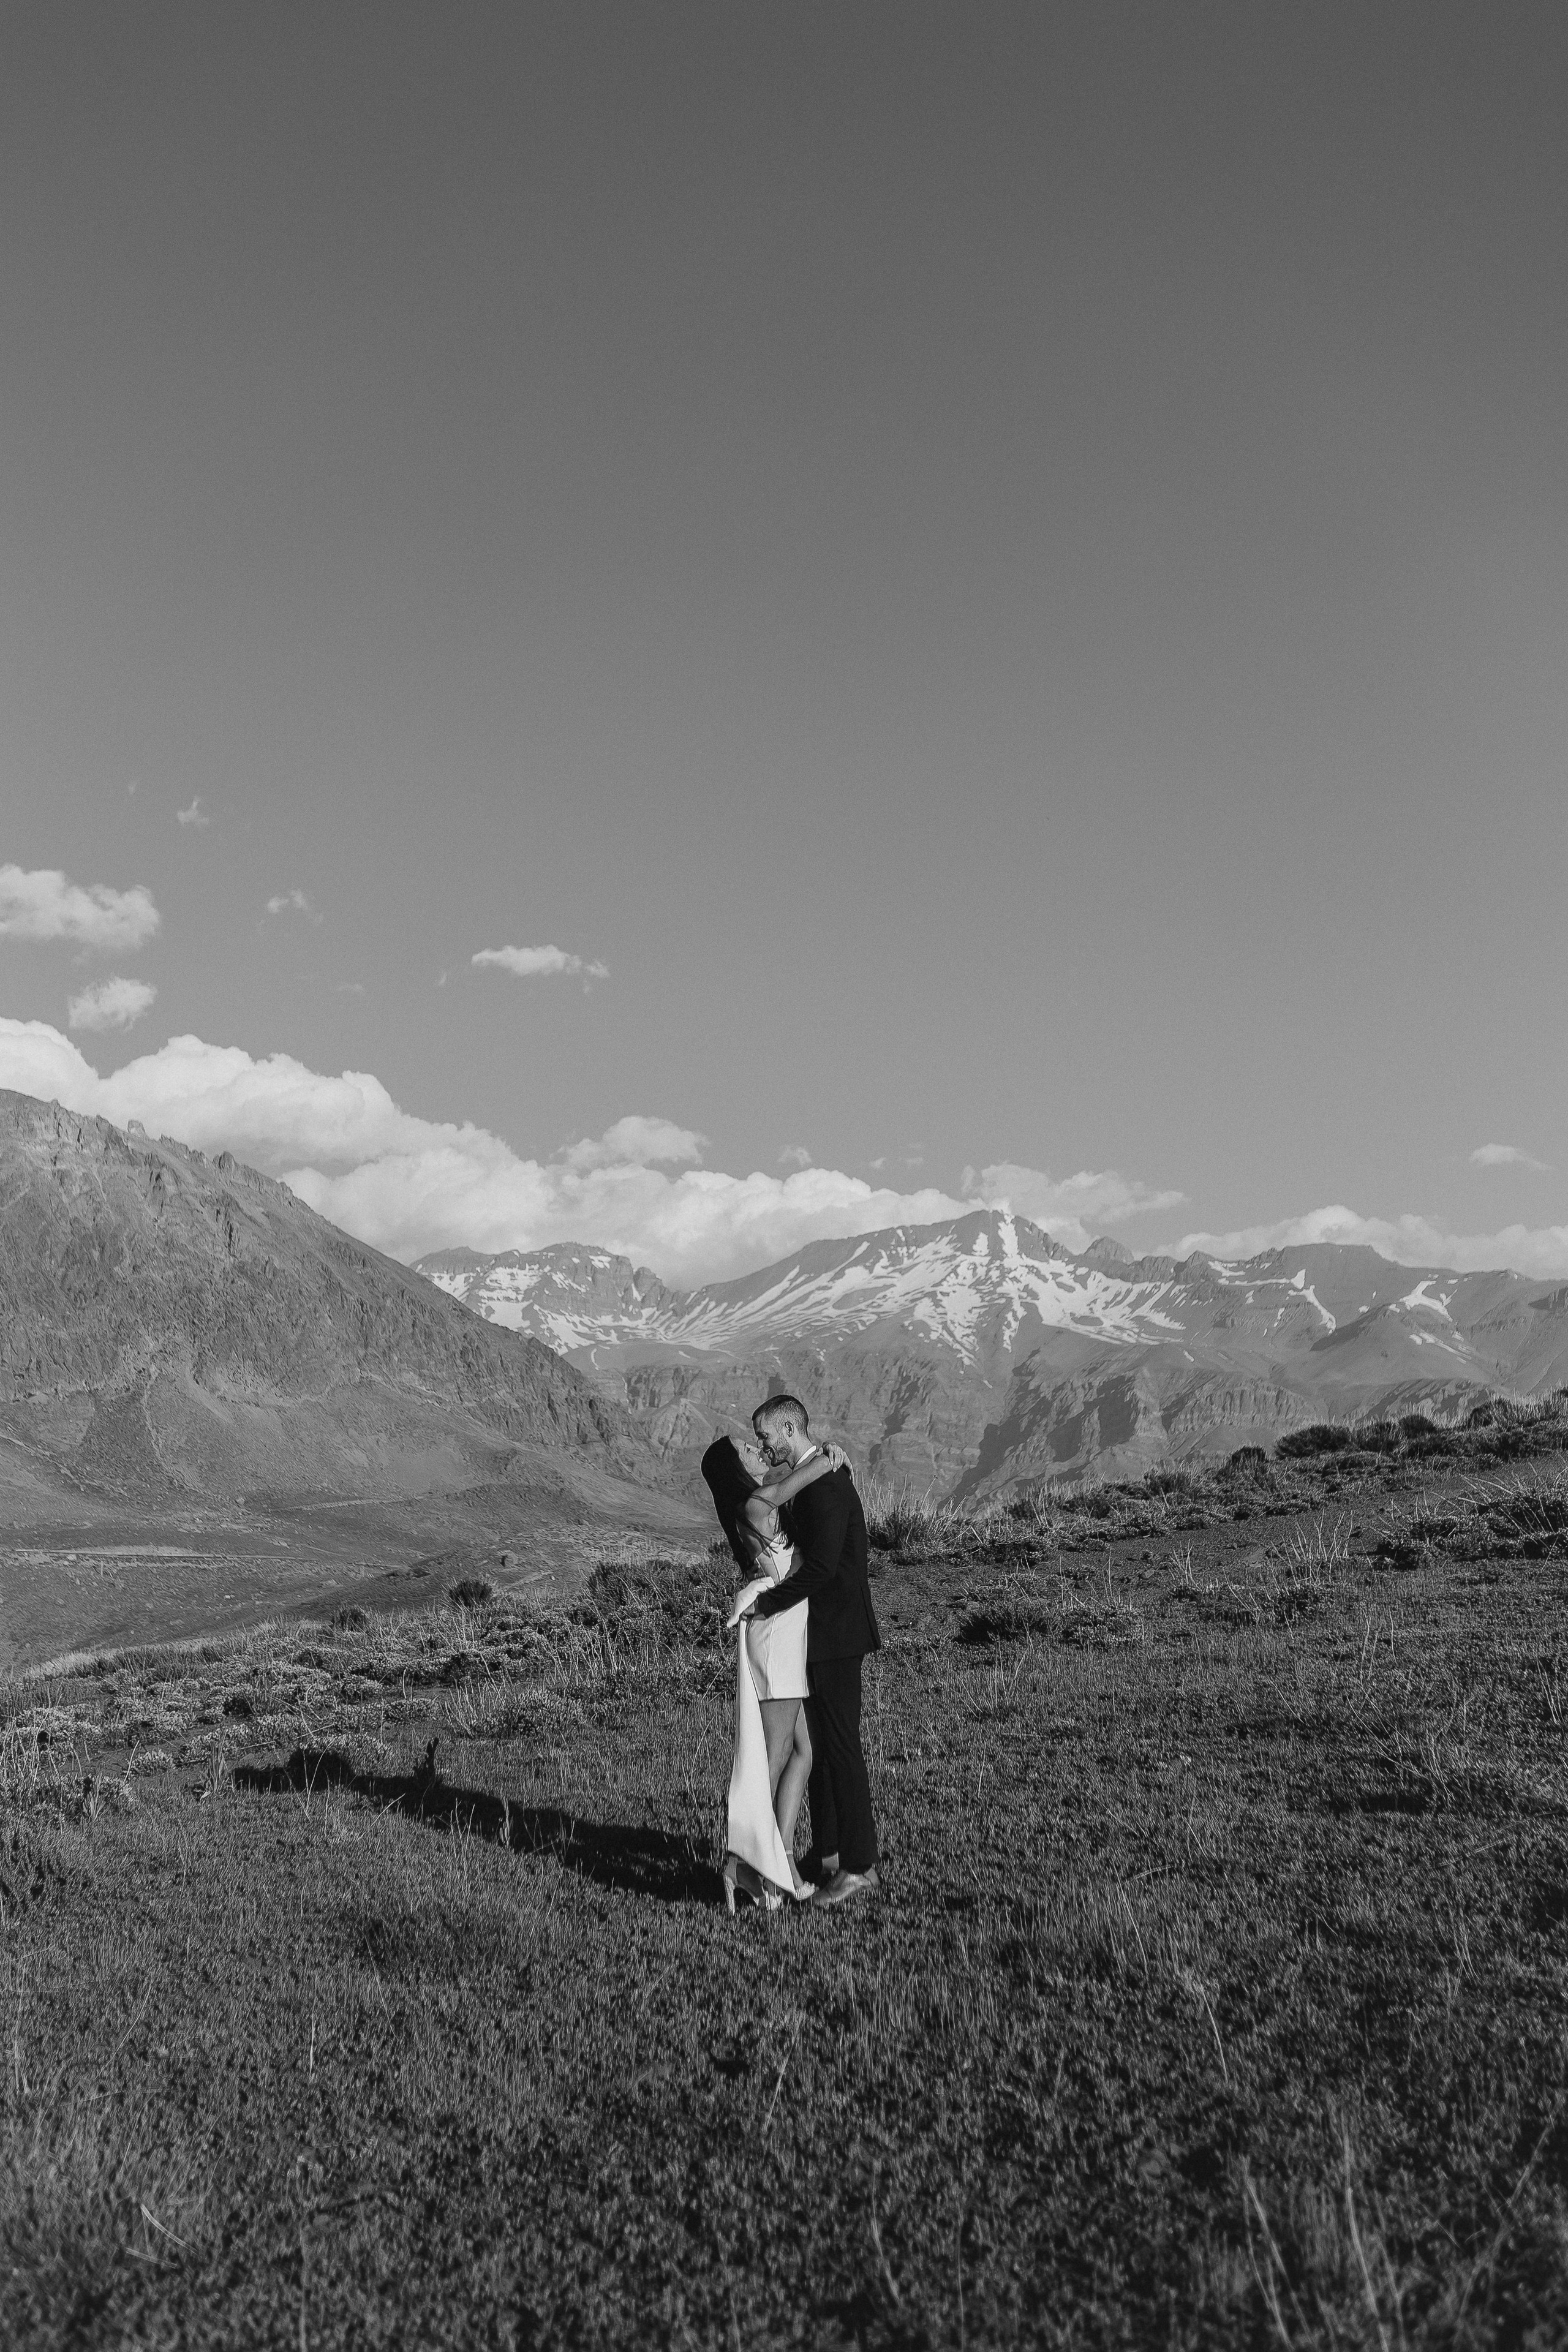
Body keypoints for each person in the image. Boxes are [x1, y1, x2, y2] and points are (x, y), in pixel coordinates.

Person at [740, 1393, 882, 1910]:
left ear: (789, 1428)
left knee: (842, 1748)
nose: (763, 1444)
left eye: (766, 1436)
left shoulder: (825, 1487)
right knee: (822, 1750)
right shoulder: (809, 1479)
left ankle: (859, 1866)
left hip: (837, 1635)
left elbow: (821, 1569)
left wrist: (767, 1605)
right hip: (818, 1635)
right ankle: (826, 1856)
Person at [700, 1429, 848, 1910]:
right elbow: (799, 1477)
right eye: (747, 1448)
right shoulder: (755, 1506)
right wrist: (828, 1455)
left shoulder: (757, 1506)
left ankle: (776, 1857)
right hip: (777, 1632)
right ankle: (744, 1862)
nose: (757, 1451)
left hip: (787, 1627)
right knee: (776, 1752)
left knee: (804, 1750)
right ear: (735, 1469)